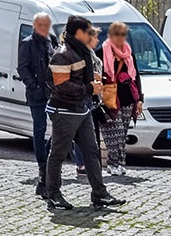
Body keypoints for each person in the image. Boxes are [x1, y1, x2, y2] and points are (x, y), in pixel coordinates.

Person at [45, 15, 123, 211]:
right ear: (79, 33)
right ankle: (53, 194)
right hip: (64, 110)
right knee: (58, 154)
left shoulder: (82, 51)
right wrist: (89, 88)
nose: (91, 34)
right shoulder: (62, 53)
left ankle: (99, 194)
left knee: (91, 152)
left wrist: (93, 79)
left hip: (82, 110)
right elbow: (61, 86)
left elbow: (81, 77)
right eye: (88, 31)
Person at [100, 21, 144, 178]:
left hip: (127, 98)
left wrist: (139, 99)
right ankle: (113, 163)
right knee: (113, 132)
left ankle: (120, 163)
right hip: (110, 98)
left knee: (122, 133)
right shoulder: (102, 52)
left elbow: (136, 77)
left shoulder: (128, 53)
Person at [18, 11, 54, 196]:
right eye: (40, 25)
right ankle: (42, 166)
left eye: (46, 25)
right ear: (34, 26)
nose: (44, 29)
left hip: (52, 94)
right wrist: (33, 86)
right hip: (37, 94)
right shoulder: (27, 44)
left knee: (58, 129)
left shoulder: (51, 42)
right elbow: (22, 68)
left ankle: (48, 163)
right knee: (39, 130)